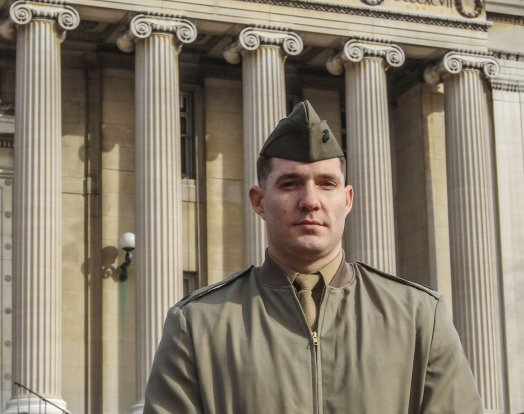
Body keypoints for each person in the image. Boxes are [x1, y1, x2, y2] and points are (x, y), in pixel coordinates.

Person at [143, 101, 482, 413]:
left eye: (326, 184)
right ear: (259, 201)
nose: (310, 201)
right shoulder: (198, 323)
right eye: (290, 184)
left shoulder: (420, 316)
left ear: (347, 200)